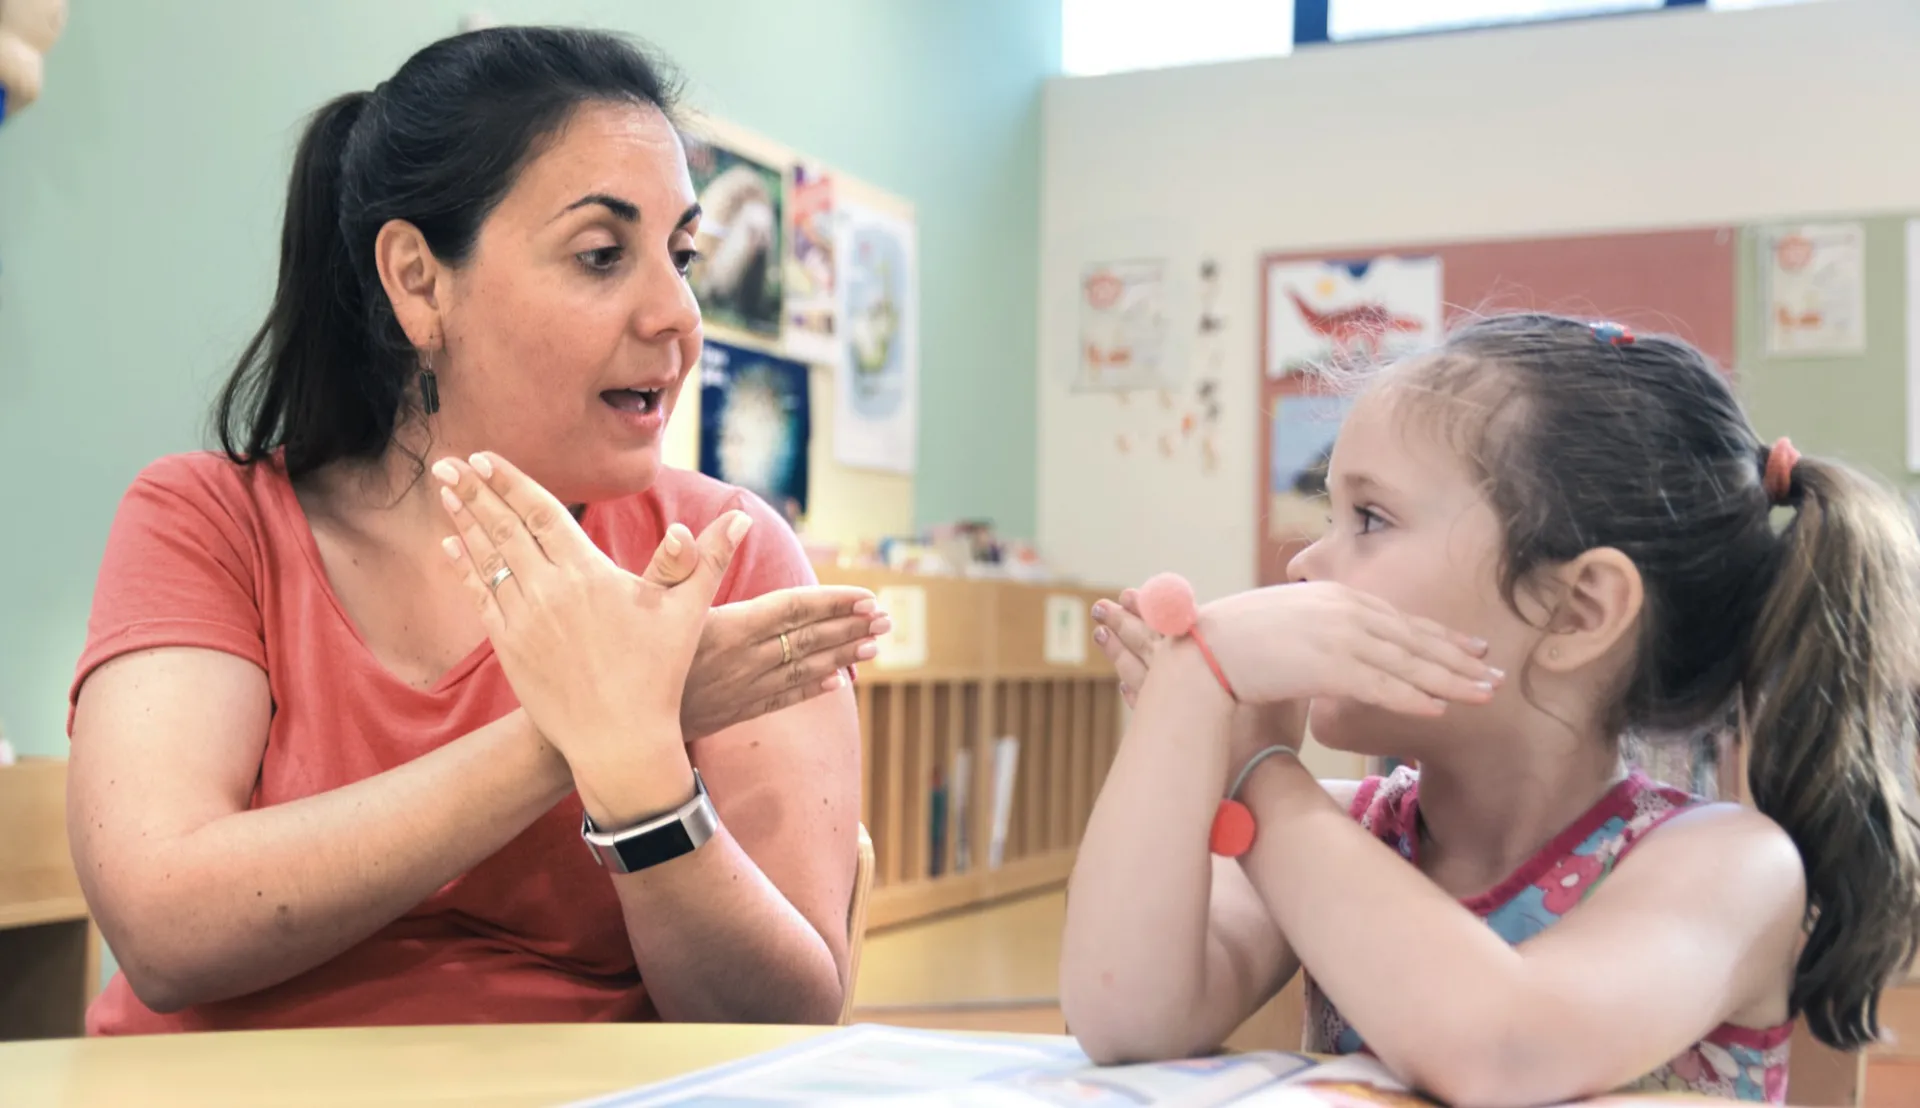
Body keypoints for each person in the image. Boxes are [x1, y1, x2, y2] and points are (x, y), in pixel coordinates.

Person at [66, 26, 887, 1034]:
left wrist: (641, 782)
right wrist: (596, 727)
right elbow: (164, 929)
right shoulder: (207, 520)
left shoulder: (727, 553)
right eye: (600, 255)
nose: (679, 315)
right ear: (418, 281)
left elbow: (783, 1013)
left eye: (683, 257)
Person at [1066, 313, 1920, 1105]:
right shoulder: (1338, 830)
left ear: (1577, 610)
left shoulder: (1731, 866)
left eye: (1369, 517)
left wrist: (1259, 773)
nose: (1304, 566)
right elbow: (1127, 1023)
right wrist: (1188, 707)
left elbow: (1499, 1047)